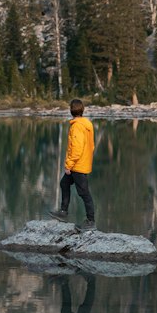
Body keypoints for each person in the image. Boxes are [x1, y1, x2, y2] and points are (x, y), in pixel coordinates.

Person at [53, 97, 95, 227]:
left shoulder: (77, 127)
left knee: (84, 193)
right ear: (82, 110)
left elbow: (76, 149)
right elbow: (92, 146)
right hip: (82, 163)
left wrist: (69, 165)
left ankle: (91, 220)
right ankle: (63, 211)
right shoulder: (87, 124)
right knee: (64, 183)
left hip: (77, 165)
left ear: (71, 110)